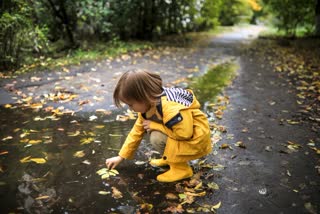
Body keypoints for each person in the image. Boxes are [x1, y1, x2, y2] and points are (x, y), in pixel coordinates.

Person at [105, 69, 212, 182]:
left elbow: (184, 134)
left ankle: (181, 169)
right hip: (182, 135)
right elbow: (136, 132)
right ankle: (170, 159)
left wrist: (156, 126)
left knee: (157, 137)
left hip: (195, 139)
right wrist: (120, 157)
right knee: (156, 133)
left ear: (144, 98)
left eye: (131, 105)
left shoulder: (170, 108)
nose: (130, 109)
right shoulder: (149, 105)